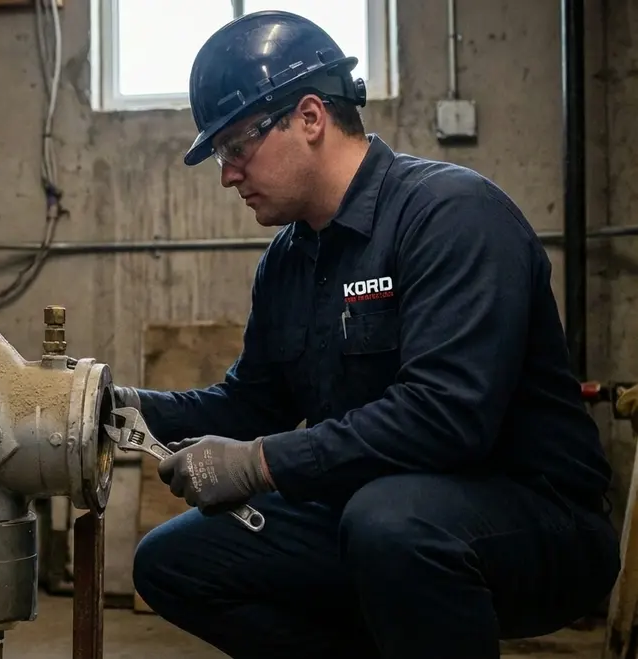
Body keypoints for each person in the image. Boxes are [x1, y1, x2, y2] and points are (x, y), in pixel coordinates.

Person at [116, 10, 621, 659]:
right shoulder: (288, 261)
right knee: (171, 561)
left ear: (309, 117)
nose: (227, 175)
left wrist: (263, 461)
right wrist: (109, 402)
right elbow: (250, 404)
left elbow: (448, 416)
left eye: (236, 146)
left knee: (390, 523)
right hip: (375, 509)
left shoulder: (451, 215)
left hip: (537, 517)